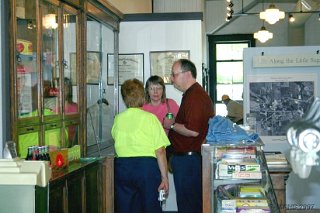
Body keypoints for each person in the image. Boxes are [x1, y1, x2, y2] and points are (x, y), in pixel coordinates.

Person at [112, 78, 170, 213]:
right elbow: (160, 151)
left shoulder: (118, 119)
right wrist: (164, 177)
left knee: (126, 207)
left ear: (124, 98)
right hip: (146, 169)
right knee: (150, 207)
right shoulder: (150, 119)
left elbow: (115, 139)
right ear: (143, 97)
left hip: (122, 168)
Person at [166, 59, 215, 213]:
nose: (172, 79)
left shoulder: (195, 97)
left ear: (187, 74)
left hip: (189, 161)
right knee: (189, 202)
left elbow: (193, 130)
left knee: (189, 204)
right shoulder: (191, 94)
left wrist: (171, 125)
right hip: (187, 160)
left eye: (174, 75)